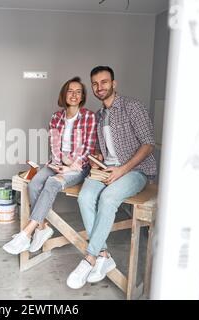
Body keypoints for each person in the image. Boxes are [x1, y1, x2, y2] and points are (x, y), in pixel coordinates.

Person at [66, 66, 157, 289]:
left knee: (108, 198)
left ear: (113, 84)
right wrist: (96, 157)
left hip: (136, 171)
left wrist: (122, 170)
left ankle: (90, 258)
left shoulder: (132, 107)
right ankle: (104, 255)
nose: (100, 88)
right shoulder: (98, 116)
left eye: (104, 82)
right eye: (95, 84)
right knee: (85, 197)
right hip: (107, 168)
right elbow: (103, 149)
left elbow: (148, 144)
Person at [3, 77, 97, 255]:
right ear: (64, 94)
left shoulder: (89, 117)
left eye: (78, 92)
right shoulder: (56, 117)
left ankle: (26, 234)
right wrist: (60, 161)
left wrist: (69, 166)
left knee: (52, 183)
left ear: (83, 96)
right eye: (70, 91)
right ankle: (43, 227)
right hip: (57, 162)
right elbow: (54, 145)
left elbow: (88, 149)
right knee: (34, 183)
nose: (74, 95)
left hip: (78, 167)